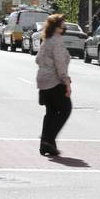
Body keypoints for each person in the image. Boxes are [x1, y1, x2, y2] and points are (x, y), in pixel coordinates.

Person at [34, 14, 71, 157]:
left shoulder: (46, 41)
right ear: (57, 26)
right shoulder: (56, 41)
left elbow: (38, 60)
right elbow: (60, 64)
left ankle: (46, 144)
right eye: (63, 23)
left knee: (51, 112)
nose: (65, 25)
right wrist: (66, 82)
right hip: (54, 81)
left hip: (42, 82)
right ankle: (48, 140)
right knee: (65, 109)